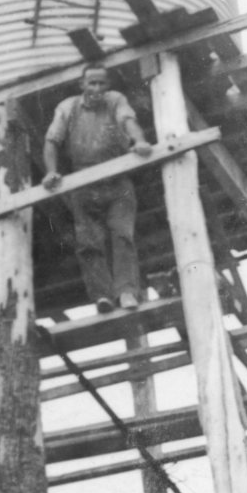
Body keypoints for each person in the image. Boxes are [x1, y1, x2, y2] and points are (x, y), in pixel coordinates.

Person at [42, 64, 152, 313]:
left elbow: (128, 120)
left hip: (117, 180)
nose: (97, 88)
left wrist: (140, 141)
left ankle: (126, 292)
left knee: (122, 236)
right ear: (82, 85)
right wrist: (51, 170)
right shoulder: (68, 107)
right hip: (84, 183)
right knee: (89, 243)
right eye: (92, 83)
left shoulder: (115, 100)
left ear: (108, 86)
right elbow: (52, 140)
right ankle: (102, 296)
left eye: (102, 83)